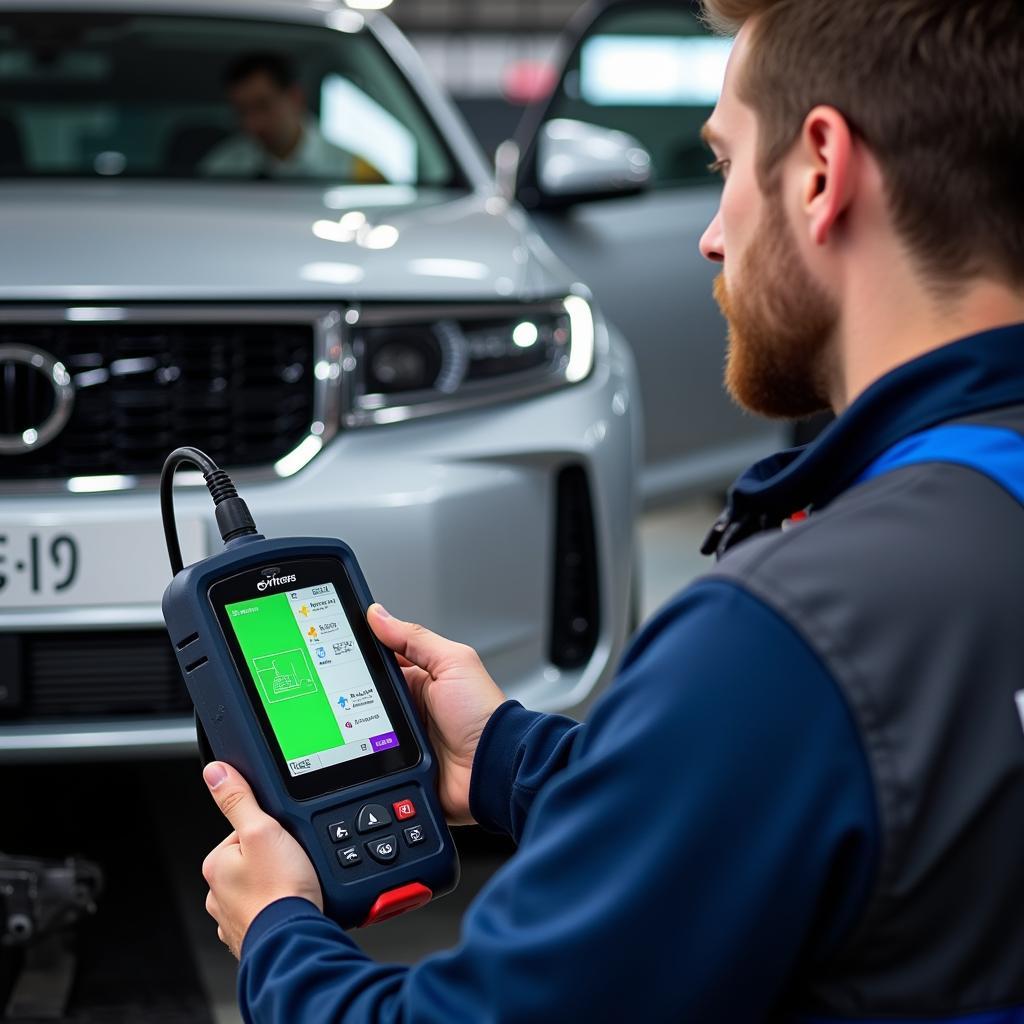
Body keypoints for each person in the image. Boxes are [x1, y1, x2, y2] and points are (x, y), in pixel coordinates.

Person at [199, 0, 1024, 1019]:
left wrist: (278, 935)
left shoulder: (793, 634)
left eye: (722, 166)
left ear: (819, 170)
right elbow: (794, 787)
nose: (713, 238)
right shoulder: (911, 584)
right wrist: (501, 751)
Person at [201, 52, 383, 182]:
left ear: (295, 98)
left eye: (263, 106)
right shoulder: (219, 168)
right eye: (242, 111)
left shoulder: (357, 173)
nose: (252, 123)